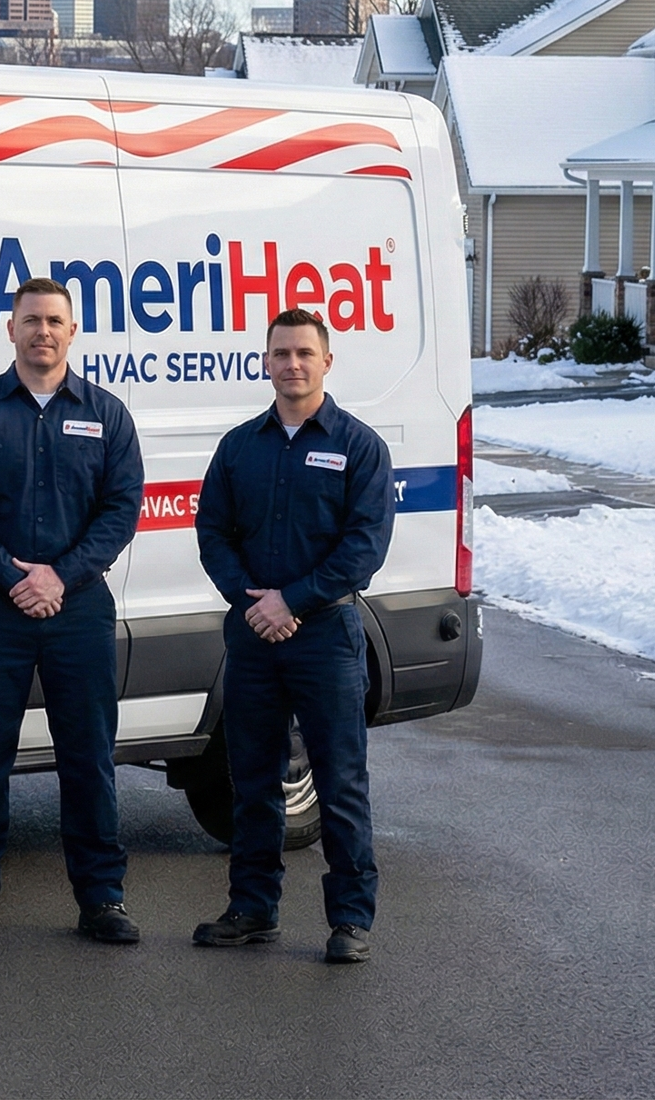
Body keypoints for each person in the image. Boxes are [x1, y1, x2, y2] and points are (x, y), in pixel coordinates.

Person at [0, 278, 145, 943]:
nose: (42, 331)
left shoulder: (107, 415)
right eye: (31, 320)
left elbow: (121, 509)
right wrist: (11, 574)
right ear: (12, 329)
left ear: (72, 331)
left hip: (79, 608)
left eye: (54, 320)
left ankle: (102, 899)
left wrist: (61, 575)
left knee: (88, 756)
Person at [190, 307, 396, 965]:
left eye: (305, 353)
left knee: (340, 780)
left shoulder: (360, 447)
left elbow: (363, 548)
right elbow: (212, 531)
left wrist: (292, 600)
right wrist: (250, 598)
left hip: (325, 635)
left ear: (327, 361)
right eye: (281, 353)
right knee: (252, 779)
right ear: (266, 362)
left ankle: (351, 918)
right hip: (253, 634)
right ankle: (253, 907)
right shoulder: (239, 447)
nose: (293, 364)